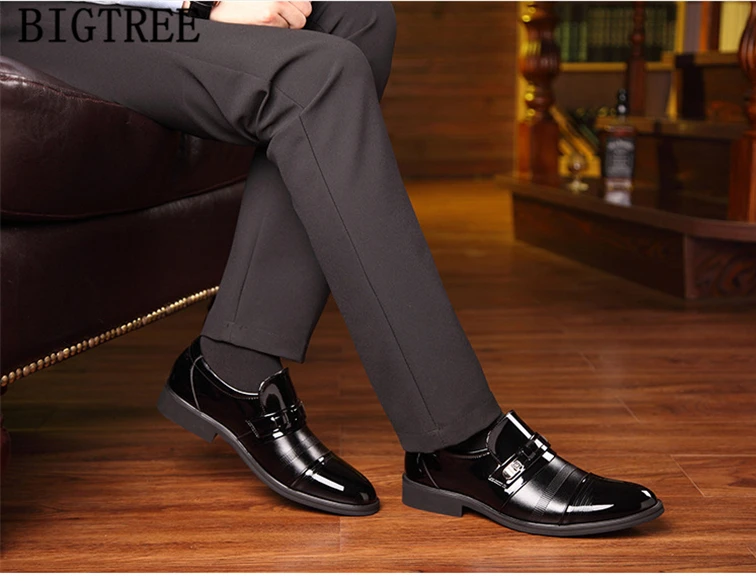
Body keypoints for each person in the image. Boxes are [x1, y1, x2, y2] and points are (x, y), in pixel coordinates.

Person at [0, 0, 664, 536]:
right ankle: (459, 438)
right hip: (42, 16)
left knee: (362, 15)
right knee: (318, 72)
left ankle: (235, 362)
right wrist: (188, 7)